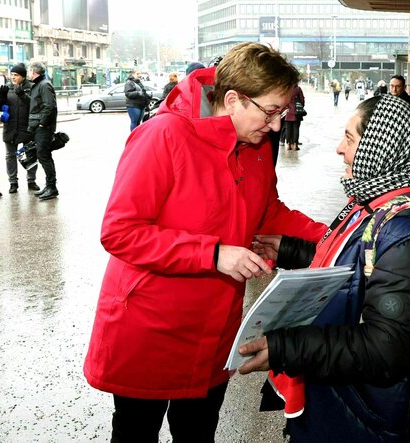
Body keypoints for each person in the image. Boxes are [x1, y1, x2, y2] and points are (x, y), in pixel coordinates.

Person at [83, 42, 328, 443]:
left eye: (283, 113)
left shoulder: (257, 147)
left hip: (214, 332)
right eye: (271, 112)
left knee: (198, 433)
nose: (278, 126)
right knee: (135, 432)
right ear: (232, 100)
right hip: (149, 328)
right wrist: (213, 254)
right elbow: (120, 231)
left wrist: (338, 235)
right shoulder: (163, 136)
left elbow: (268, 212)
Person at [238, 94, 410, 442]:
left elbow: (386, 346)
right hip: (355, 403)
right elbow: (364, 265)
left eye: (349, 139)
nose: (339, 150)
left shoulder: (409, 233)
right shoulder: (385, 200)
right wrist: (292, 250)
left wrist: (289, 347)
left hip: (374, 418)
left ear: (381, 147)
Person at [0, 63, 39, 194]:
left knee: (30, 154)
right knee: (10, 156)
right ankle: (13, 182)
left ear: (23, 76)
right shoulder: (7, 88)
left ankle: (31, 180)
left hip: (27, 128)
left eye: (16, 75)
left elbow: (34, 106)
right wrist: (1, 97)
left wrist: (21, 95)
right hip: (10, 128)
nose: (13, 77)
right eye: (12, 74)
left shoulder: (32, 87)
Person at [27, 62, 58, 200]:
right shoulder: (38, 85)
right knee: (44, 156)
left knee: (44, 157)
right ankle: (49, 186)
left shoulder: (44, 85)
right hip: (40, 127)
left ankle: (52, 187)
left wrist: (41, 124)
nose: (28, 73)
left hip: (44, 128)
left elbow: (49, 106)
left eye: (29, 71)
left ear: (34, 72)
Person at [284, 84, 304, 151]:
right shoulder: (298, 88)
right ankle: (295, 145)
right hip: (296, 112)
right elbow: (302, 99)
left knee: (288, 129)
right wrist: (301, 106)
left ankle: (288, 145)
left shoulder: (286, 88)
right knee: (296, 128)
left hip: (288, 111)